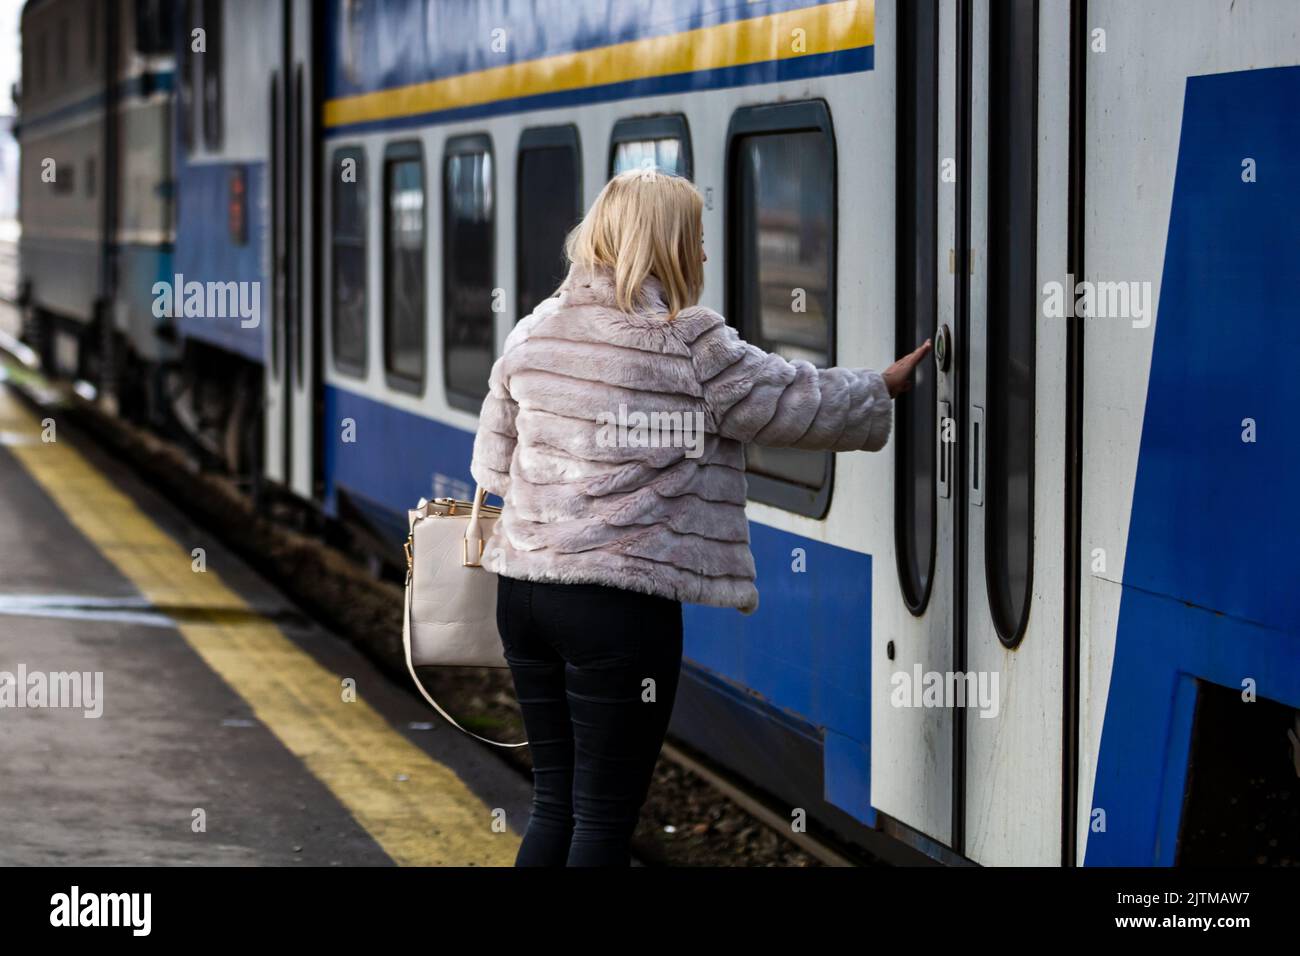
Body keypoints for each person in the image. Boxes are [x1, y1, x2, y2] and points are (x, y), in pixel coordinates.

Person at [470, 168, 931, 866]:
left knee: (556, 806)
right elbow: (787, 402)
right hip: (616, 606)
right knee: (602, 821)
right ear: (666, 244)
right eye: (698, 238)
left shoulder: (535, 329)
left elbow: (494, 465)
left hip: (525, 594)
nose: (706, 255)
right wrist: (882, 386)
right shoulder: (685, 339)